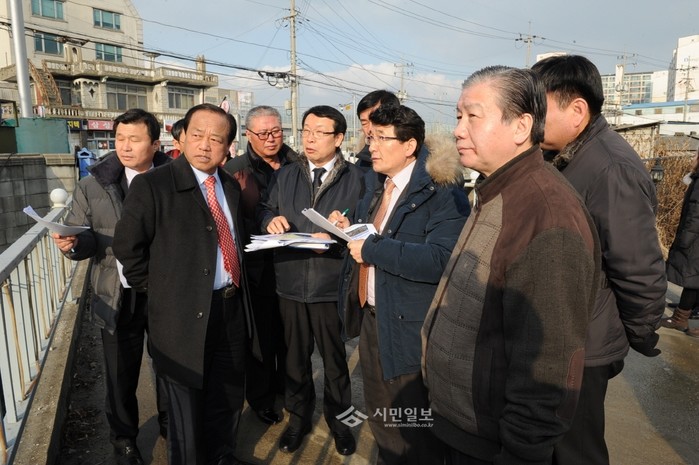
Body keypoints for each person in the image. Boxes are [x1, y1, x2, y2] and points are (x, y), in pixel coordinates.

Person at [421, 65, 601, 465]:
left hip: (492, 442)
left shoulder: (547, 215)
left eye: (473, 116)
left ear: (521, 126)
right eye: (458, 116)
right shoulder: (497, 190)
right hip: (461, 423)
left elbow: (549, 364)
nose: (458, 130)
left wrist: (522, 452)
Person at [531, 55, 667, 465]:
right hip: (565, 331)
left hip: (585, 342)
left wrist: (640, 332)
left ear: (577, 110)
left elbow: (637, 266)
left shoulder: (610, 167)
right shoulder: (568, 155)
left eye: (539, 110)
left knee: (575, 449)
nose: (530, 121)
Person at [113, 103, 257, 465]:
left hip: (229, 306)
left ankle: (222, 455)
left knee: (226, 394)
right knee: (184, 408)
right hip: (179, 316)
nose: (205, 145)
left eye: (216, 139)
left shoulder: (228, 184)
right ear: (181, 137)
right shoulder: (153, 185)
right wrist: (161, 293)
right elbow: (128, 248)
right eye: (197, 135)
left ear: (228, 147)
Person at [331, 104, 469, 465]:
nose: (371, 146)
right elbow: (374, 232)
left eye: (381, 138)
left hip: (411, 326)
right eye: (370, 137)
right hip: (373, 319)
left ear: (409, 146)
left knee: (413, 424)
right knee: (382, 414)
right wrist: (347, 227)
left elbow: (443, 259)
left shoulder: (442, 192)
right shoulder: (379, 184)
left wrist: (373, 249)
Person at [51, 109, 170, 465]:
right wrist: (73, 244)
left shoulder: (174, 180)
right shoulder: (93, 184)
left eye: (135, 139)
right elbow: (84, 235)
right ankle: (123, 440)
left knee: (171, 367)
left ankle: (172, 424)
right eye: (120, 138)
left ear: (155, 144)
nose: (125, 146)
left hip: (165, 292)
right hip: (116, 293)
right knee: (120, 374)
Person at [258, 105, 364, 456]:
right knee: (295, 360)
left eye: (320, 132)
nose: (310, 138)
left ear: (339, 138)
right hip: (289, 282)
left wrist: (342, 230)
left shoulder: (358, 179)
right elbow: (265, 208)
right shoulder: (286, 175)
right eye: (306, 130)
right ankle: (298, 420)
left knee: (335, 362)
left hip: (330, 285)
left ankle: (340, 423)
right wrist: (269, 221)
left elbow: (367, 224)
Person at [223, 105, 298, 425]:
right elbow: (229, 221)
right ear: (248, 135)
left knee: (291, 337)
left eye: (276, 131)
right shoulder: (234, 171)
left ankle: (288, 387)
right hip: (256, 268)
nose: (271, 138)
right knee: (261, 338)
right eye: (263, 133)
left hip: (294, 263)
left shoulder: (297, 164)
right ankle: (261, 398)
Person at [663, 148, 699, 337]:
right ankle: (683, 314)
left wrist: (685, 240)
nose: (693, 158)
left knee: (692, 276)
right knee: (693, 277)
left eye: (696, 155)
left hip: (695, 238)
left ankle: (680, 318)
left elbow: (696, 213)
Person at [355, 90, 401, 171]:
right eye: (364, 123)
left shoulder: (421, 165)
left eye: (375, 121)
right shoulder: (360, 168)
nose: (370, 129)